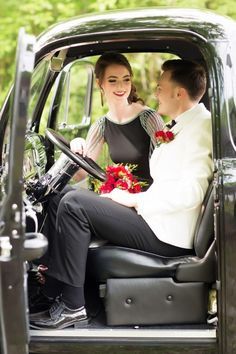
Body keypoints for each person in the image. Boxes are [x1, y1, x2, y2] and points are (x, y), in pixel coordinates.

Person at [30, 59, 213, 330]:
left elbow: (192, 192)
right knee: (61, 195)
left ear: (178, 93)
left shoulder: (200, 129)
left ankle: (72, 307)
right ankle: (52, 292)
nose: (154, 92)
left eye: (160, 87)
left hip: (166, 233)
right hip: (156, 218)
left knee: (74, 204)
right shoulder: (184, 123)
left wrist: (135, 199)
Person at [71, 52, 164, 187]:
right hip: (119, 195)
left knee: (70, 200)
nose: (121, 87)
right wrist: (76, 144)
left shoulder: (149, 118)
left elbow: (168, 164)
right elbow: (81, 175)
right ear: (99, 83)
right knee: (61, 195)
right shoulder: (102, 125)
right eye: (112, 80)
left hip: (149, 197)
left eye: (126, 79)